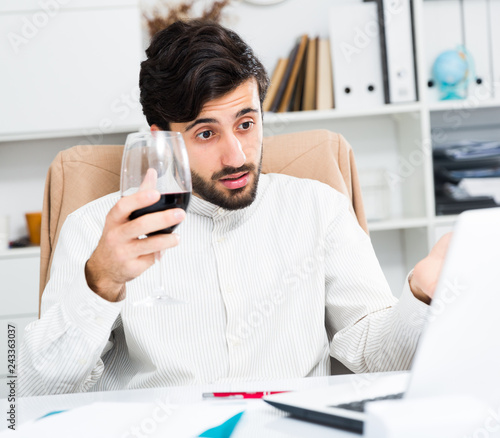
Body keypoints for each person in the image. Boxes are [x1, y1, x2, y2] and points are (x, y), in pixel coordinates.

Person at [19, 20, 448, 396]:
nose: (237, 156)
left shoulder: (320, 209)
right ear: (159, 140)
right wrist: (101, 284)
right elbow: (32, 393)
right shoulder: (94, 229)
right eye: (206, 134)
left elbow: (379, 359)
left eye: (246, 124)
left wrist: (422, 293)